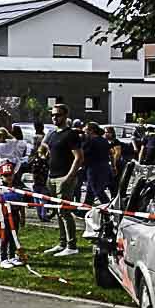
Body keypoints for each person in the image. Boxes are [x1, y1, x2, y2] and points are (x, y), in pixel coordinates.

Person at [43, 105, 84, 256]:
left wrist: (69, 176)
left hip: (64, 177)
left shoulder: (71, 134)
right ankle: (62, 243)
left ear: (65, 116)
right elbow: (49, 152)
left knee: (65, 211)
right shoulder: (53, 134)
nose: (55, 118)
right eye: (53, 115)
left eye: (58, 115)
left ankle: (71, 245)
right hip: (52, 177)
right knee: (58, 211)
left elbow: (79, 157)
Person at [81, 123, 113, 204]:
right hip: (104, 167)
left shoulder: (91, 141)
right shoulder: (104, 140)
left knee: (97, 190)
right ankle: (84, 210)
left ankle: (108, 207)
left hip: (94, 168)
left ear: (91, 131)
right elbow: (111, 153)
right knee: (90, 191)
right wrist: (113, 166)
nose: (85, 131)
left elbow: (82, 153)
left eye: (86, 129)